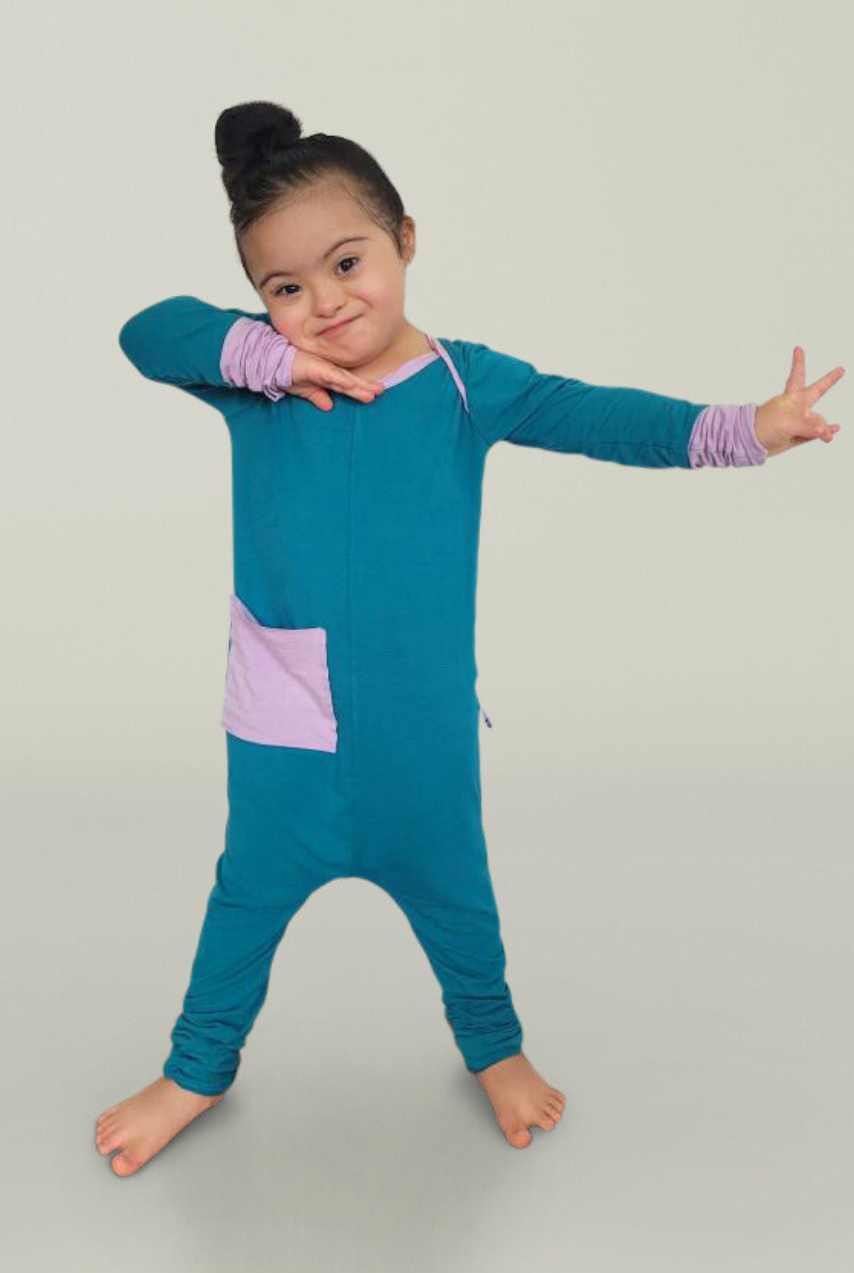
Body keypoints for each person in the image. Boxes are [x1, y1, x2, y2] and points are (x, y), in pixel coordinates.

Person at [95, 100, 844, 1178]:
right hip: (283, 734)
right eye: (285, 288)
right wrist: (261, 356)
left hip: (421, 736)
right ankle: (197, 1068)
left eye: (346, 263)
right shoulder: (260, 384)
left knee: (457, 898)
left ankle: (492, 1046)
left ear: (404, 239)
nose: (323, 302)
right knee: (244, 899)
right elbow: (148, 330)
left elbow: (600, 416)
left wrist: (747, 430)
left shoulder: (462, 385)